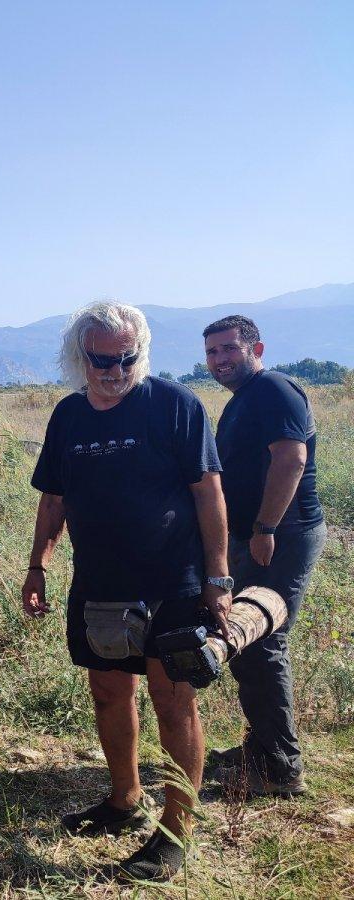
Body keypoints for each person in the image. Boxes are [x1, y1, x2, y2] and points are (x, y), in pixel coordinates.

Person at [22, 302, 231, 882]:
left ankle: (174, 832)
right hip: (99, 583)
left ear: (141, 353)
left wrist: (218, 578)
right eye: (100, 359)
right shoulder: (68, 416)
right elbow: (54, 496)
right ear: (79, 356)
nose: (113, 370)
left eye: (125, 358)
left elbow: (208, 492)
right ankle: (123, 800)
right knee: (109, 693)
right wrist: (38, 564)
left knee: (173, 700)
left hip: (173, 582)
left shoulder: (175, 406)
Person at [203, 315, 326, 797]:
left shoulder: (274, 389)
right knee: (246, 641)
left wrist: (265, 528)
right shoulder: (244, 399)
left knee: (260, 641)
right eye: (212, 352)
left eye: (229, 349)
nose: (220, 360)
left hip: (282, 535)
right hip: (259, 535)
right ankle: (262, 747)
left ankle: (279, 769)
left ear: (257, 348)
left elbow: (291, 458)